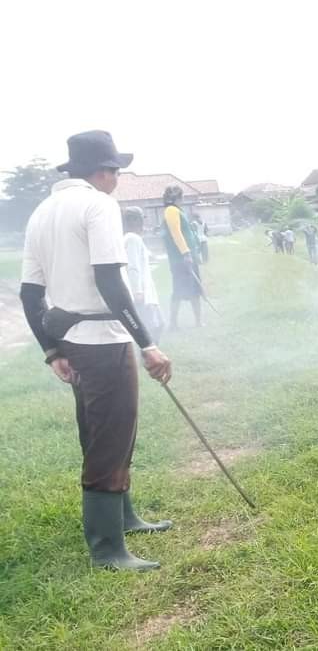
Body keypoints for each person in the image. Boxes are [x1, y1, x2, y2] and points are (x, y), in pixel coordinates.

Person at [20, 130, 174, 570]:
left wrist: (52, 351)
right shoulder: (98, 205)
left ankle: (124, 517)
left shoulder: (42, 212)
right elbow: (110, 281)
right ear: (105, 172)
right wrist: (148, 343)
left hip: (72, 342)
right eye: (117, 171)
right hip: (104, 343)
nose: (117, 180)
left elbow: (30, 295)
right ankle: (107, 549)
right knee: (111, 435)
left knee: (107, 431)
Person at [161, 184, 203, 329]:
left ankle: (197, 321)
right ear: (177, 197)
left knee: (194, 289)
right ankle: (173, 324)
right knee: (179, 291)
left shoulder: (176, 210)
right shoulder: (171, 210)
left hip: (186, 257)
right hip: (181, 259)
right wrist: (186, 253)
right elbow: (175, 232)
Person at [122, 207, 164, 344]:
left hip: (147, 293)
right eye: (141, 220)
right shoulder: (132, 239)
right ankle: (148, 357)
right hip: (142, 295)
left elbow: (149, 256)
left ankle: (148, 355)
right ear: (135, 221)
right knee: (152, 327)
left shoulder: (134, 239)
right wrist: (137, 291)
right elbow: (133, 267)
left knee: (157, 325)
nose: (143, 224)